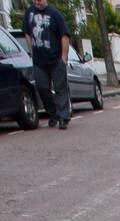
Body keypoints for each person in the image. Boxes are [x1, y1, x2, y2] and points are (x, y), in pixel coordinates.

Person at [22, 0, 71, 130]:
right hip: (39, 61)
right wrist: (31, 51)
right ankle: (53, 114)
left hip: (55, 60)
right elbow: (27, 32)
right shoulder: (29, 13)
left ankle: (63, 117)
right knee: (42, 88)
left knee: (60, 88)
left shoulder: (55, 15)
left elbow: (64, 36)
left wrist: (64, 58)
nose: (36, 2)